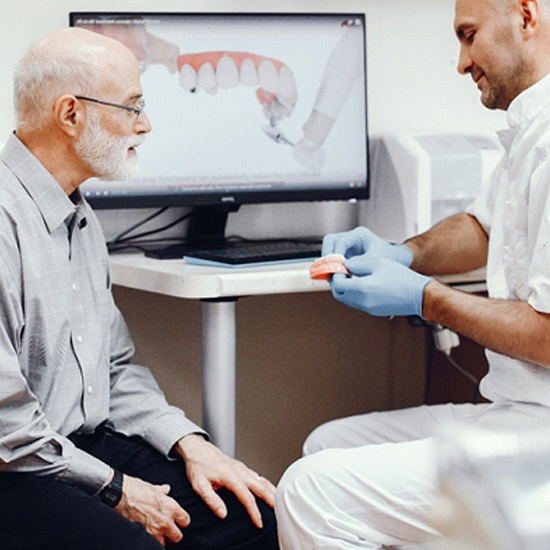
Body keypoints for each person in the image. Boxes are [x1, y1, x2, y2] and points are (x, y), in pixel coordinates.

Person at [275, 0, 550, 547]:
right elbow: (485, 226)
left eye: (468, 35)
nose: (461, 61)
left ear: (525, 15)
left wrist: (428, 299)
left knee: (312, 491)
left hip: (540, 434)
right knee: (328, 445)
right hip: (521, 410)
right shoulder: (533, 127)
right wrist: (402, 253)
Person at [0, 27, 278, 550]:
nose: (145, 125)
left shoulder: (76, 215)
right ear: (71, 115)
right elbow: (5, 428)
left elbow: (114, 368)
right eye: (133, 106)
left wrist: (193, 445)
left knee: (253, 517)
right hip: (16, 468)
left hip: (80, 446)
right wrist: (117, 492)